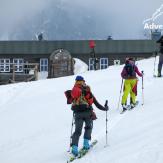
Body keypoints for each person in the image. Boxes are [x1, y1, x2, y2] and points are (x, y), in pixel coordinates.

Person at [70, 75, 108, 156]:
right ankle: (86, 144)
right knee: (88, 127)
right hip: (88, 112)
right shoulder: (87, 90)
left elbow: (70, 101)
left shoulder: (74, 90)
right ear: (83, 81)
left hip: (77, 114)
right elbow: (96, 103)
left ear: (76, 81)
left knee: (77, 131)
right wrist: (105, 108)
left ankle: (74, 148)